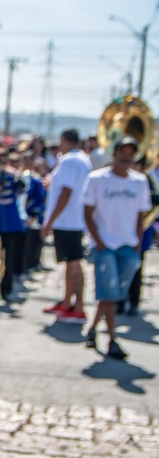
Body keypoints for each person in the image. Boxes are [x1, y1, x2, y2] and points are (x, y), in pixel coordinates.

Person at [83, 137, 151, 359]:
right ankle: (112, 340)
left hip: (128, 246)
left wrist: (137, 243)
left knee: (110, 295)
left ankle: (92, 329)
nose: (126, 157)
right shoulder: (97, 179)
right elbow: (87, 213)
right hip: (105, 246)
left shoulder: (140, 181)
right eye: (123, 151)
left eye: (131, 153)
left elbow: (140, 216)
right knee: (110, 295)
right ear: (114, 153)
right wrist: (99, 242)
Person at [40, 129, 92, 324]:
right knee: (70, 264)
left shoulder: (70, 160)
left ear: (63, 140)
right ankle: (67, 302)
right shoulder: (81, 158)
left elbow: (66, 193)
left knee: (74, 264)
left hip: (67, 221)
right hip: (73, 220)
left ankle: (78, 308)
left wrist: (50, 221)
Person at [119, 156, 159, 316]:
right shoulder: (121, 178)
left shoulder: (145, 180)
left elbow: (155, 200)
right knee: (120, 266)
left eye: (137, 164)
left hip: (141, 229)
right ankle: (119, 301)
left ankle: (134, 302)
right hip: (122, 228)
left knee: (136, 266)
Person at [0, 150, 26, 300]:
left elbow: (23, 187)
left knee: (9, 257)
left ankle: (6, 288)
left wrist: (14, 174)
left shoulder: (12, 177)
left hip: (11, 223)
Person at [21, 151, 47, 272]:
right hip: (20, 216)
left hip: (32, 215)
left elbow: (39, 198)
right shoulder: (19, 177)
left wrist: (34, 214)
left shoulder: (36, 180)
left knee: (34, 240)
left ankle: (33, 263)